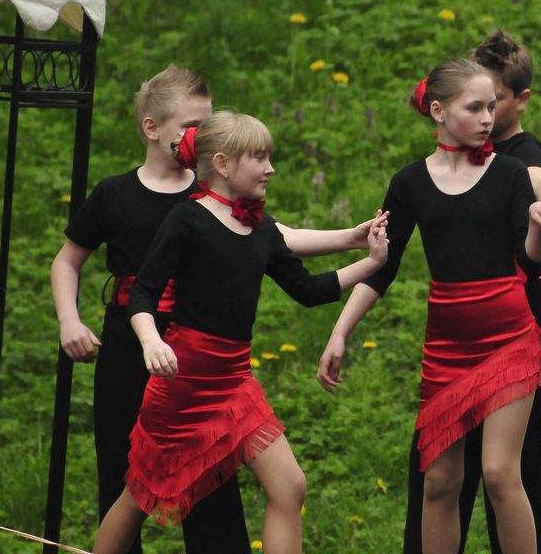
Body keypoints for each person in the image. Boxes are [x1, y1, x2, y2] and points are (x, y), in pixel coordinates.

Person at [52, 66, 380, 554]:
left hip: (216, 363)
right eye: (193, 126)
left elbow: (278, 243)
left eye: (209, 125)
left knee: (227, 486)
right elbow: (77, 264)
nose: (202, 136)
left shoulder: (226, 200)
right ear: (152, 128)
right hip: (140, 346)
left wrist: (354, 242)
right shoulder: (126, 197)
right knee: (132, 484)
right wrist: (72, 320)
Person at [317, 59, 541, 554]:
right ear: (438, 111)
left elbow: (531, 263)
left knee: (499, 473)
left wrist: (540, 227)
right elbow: (381, 267)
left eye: (491, 107)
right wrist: (340, 330)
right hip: (447, 348)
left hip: (509, 339)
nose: (486, 118)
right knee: (439, 481)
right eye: (474, 108)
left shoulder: (510, 173)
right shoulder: (410, 182)